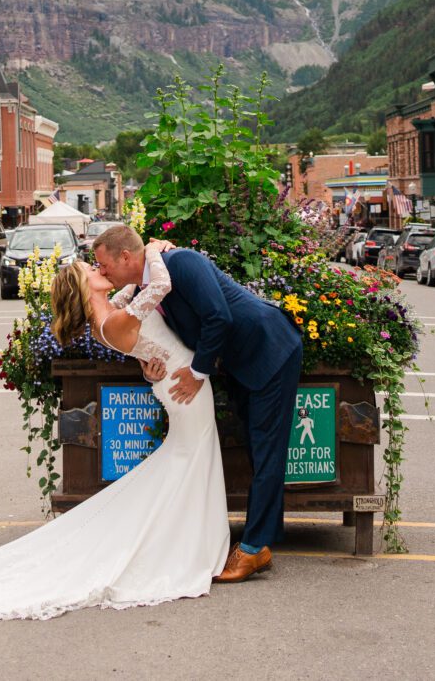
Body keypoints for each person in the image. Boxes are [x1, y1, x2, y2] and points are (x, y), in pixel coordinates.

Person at [0, 238, 229, 619]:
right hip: (183, 387)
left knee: (187, 458)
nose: (99, 269)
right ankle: (188, 544)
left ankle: (186, 538)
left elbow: (136, 295)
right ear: (84, 288)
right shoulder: (111, 321)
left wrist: (147, 362)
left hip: (174, 383)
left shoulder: (112, 312)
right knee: (189, 456)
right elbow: (158, 287)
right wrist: (154, 248)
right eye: (92, 270)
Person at [95, 223, 302, 582]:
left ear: (125, 256)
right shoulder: (144, 285)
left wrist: (197, 372)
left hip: (269, 349)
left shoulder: (182, 262)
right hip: (241, 365)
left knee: (267, 449)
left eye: (104, 265)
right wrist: (152, 364)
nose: (102, 272)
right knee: (258, 448)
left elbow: (218, 316)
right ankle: (263, 542)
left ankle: (253, 549)